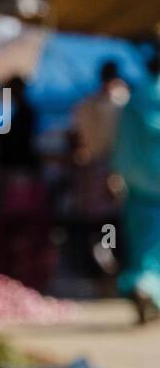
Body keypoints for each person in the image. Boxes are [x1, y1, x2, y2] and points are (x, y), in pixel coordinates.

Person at [111, 53, 160, 321]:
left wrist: (119, 176)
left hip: (138, 188)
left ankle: (143, 286)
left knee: (142, 244)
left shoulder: (134, 99)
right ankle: (148, 289)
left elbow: (121, 145)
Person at [68, 60, 127, 280]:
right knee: (108, 223)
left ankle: (101, 265)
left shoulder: (85, 104)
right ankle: (106, 266)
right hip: (112, 169)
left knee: (97, 225)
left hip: (91, 169)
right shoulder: (120, 103)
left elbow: (75, 138)